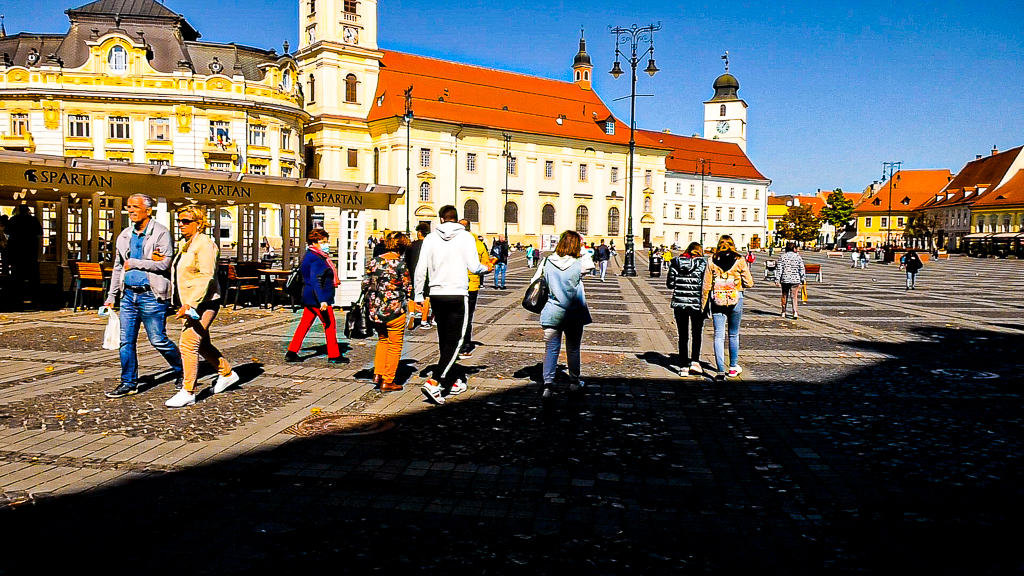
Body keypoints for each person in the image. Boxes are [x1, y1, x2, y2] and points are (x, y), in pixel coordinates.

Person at [103, 194, 183, 398]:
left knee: (157, 339)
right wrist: (111, 296)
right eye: (128, 207)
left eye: (135, 207)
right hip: (128, 296)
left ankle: (183, 368)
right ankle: (129, 382)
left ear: (148, 210)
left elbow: (165, 263)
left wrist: (137, 263)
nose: (131, 210)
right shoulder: (124, 235)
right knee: (125, 341)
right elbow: (118, 267)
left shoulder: (161, 233)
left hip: (151, 295)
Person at [414, 206, 491, 405]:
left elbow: (420, 268)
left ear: (441, 219)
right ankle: (435, 380)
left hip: (437, 294)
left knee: (444, 340)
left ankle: (454, 380)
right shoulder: (466, 237)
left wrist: (418, 294)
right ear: (456, 219)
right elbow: (474, 267)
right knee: (457, 341)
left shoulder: (430, 238)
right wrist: (487, 268)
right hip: (458, 293)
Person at [165, 206, 239, 408]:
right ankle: (227, 373)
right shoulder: (186, 243)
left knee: (188, 343)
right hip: (191, 302)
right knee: (202, 344)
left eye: (186, 221)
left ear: (199, 223)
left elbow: (206, 275)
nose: (181, 224)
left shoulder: (205, 244)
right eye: (179, 221)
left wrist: (191, 303)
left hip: (203, 302)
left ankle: (188, 390)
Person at [532, 230, 593, 399]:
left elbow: (534, 282)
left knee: (551, 349)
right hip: (573, 313)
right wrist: (583, 247)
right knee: (573, 349)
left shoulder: (546, 261)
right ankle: (574, 382)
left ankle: (548, 385)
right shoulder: (579, 263)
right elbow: (590, 264)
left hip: (552, 312)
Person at [285, 228, 344, 364]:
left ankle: (292, 352)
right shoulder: (317, 258)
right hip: (318, 298)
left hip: (308, 296)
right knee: (329, 324)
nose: (327, 244)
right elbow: (316, 280)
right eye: (324, 241)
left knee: (304, 324)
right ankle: (334, 355)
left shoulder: (309, 254)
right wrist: (323, 300)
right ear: (316, 241)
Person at [363, 232, 413, 392]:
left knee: (382, 340)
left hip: (375, 309)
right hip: (394, 309)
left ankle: (378, 373)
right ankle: (388, 380)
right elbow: (407, 287)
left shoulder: (375, 261)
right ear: (403, 247)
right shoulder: (400, 264)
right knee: (395, 345)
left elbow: (365, 283)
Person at [708, 235, 754, 381]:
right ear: (733, 245)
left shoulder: (712, 259)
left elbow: (706, 284)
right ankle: (733, 367)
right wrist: (738, 284)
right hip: (736, 298)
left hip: (717, 299)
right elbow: (749, 282)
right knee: (733, 334)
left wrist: (704, 303)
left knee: (718, 335)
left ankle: (720, 370)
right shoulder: (740, 260)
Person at [666, 242, 711, 377]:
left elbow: (670, 284)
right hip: (697, 304)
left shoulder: (675, 263)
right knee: (697, 334)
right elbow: (706, 284)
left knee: (683, 335)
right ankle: (695, 362)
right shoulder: (703, 265)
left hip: (679, 305)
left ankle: (683, 366)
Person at [458, 219, 490, 359]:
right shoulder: (478, 244)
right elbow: (485, 264)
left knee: (453, 316)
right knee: (467, 317)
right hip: (471, 285)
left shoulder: (452, 243)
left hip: (454, 285)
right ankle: (464, 347)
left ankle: (452, 346)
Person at [5, 204, 43, 307]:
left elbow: (6, 231)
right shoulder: (33, 220)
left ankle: (16, 298)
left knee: (17, 277)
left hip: (17, 253)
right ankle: (34, 298)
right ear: (27, 210)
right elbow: (40, 233)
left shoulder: (13, 220)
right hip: (30, 252)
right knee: (32, 277)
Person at [404, 222, 432, 330]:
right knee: (426, 297)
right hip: (427, 274)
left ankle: (411, 314)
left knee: (412, 295)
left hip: (412, 273)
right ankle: (424, 320)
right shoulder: (429, 246)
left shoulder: (411, 245)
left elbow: (406, 260)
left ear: (419, 233)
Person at [774, 242, 806, 319]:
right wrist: (803, 278)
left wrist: (777, 279)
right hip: (795, 280)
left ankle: (783, 311)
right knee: (794, 296)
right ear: (794, 248)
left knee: (784, 295)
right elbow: (801, 269)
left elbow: (779, 269)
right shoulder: (798, 257)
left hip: (785, 279)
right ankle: (795, 312)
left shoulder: (782, 257)